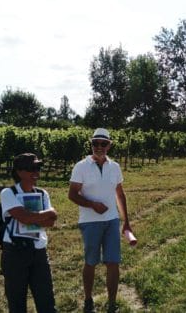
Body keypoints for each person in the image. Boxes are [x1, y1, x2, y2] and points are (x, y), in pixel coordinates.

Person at [68, 128, 132, 313]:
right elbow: (72, 194)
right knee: (91, 262)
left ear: (109, 146)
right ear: (91, 144)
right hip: (90, 222)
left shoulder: (115, 167)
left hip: (112, 220)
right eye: (95, 143)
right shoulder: (81, 166)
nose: (99, 147)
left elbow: (120, 194)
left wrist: (125, 220)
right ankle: (88, 300)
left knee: (113, 262)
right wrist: (92, 205)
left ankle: (112, 304)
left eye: (103, 143)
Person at [0, 153, 58, 313]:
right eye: (32, 168)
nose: (36, 172)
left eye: (38, 168)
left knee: (46, 301)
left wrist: (33, 216)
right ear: (19, 172)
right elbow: (24, 217)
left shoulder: (42, 193)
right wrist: (48, 211)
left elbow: (50, 222)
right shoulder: (8, 193)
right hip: (15, 253)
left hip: (39, 252)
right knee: (17, 302)